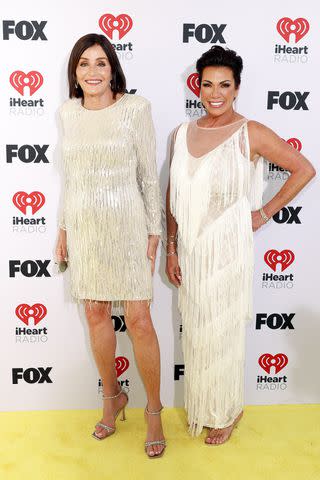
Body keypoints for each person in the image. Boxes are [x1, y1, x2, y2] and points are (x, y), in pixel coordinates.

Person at [166, 46, 315, 445]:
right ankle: (205, 404)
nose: (216, 93)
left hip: (229, 249)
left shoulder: (251, 132)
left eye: (225, 85)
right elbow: (171, 196)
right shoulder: (181, 134)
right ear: (198, 86)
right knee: (197, 329)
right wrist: (172, 248)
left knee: (224, 329)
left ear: (237, 88)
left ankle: (228, 409)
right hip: (193, 252)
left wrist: (263, 213)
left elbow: (304, 169)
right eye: (208, 84)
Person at [56, 33, 166, 458]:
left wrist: (154, 230)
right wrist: (64, 228)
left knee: (138, 320)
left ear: (113, 69)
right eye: (84, 64)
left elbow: (146, 173)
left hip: (128, 225)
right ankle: (112, 397)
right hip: (85, 227)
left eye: (101, 63)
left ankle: (152, 410)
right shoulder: (68, 113)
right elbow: (72, 178)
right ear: (75, 72)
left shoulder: (135, 109)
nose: (92, 72)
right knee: (96, 314)